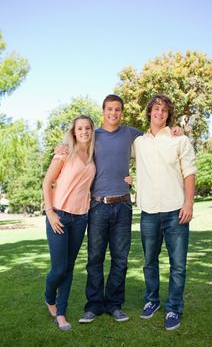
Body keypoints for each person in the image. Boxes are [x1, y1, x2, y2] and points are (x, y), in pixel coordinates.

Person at [55, 94, 182, 324]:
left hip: (123, 205)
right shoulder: (93, 135)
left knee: (120, 259)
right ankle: (93, 306)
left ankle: (114, 304)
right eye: (109, 109)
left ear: (121, 112)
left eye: (117, 110)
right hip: (97, 206)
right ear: (103, 111)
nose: (113, 113)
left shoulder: (131, 134)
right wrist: (61, 147)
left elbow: (155, 135)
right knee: (95, 258)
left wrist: (177, 130)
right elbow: (74, 143)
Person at [133, 94, 196, 331]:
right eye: (155, 109)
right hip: (148, 211)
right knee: (150, 262)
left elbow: (189, 173)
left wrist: (188, 203)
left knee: (177, 265)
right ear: (149, 112)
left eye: (164, 110)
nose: (159, 113)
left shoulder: (180, 140)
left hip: (175, 211)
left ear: (169, 114)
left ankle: (174, 308)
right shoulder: (138, 142)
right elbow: (114, 150)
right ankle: (152, 301)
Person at [43, 115, 96, 330]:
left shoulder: (93, 155)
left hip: (81, 218)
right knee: (59, 269)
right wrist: (50, 213)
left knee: (69, 267)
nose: (84, 131)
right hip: (59, 216)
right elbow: (47, 182)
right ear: (74, 132)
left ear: (92, 131)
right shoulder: (64, 153)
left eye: (87, 128)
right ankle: (49, 297)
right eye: (80, 128)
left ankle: (61, 313)